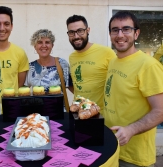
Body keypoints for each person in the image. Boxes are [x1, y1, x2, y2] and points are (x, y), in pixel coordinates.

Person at [104, 11, 163, 167]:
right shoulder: (113, 62)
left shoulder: (148, 65)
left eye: (126, 29)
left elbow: (161, 111)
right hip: (113, 147)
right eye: (115, 30)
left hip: (135, 157)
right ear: (110, 34)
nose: (120, 34)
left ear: (136, 34)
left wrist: (130, 130)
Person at [66, 15, 116, 114]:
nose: (76, 36)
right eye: (72, 32)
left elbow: (117, 83)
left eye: (80, 31)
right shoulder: (72, 57)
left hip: (101, 115)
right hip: (79, 113)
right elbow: (76, 84)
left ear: (88, 30)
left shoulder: (106, 52)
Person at [24, 29, 70, 93]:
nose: (44, 46)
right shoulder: (30, 67)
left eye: (47, 42)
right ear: (35, 46)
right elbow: (24, 91)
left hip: (58, 103)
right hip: (36, 103)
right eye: (40, 42)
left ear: (52, 46)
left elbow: (71, 87)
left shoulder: (62, 63)